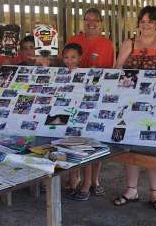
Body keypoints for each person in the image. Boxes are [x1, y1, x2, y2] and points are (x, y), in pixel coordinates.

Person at [113, 5, 156, 212]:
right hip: (130, 104)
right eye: (142, 21)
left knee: (153, 148)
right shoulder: (129, 43)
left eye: (150, 21)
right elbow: (116, 69)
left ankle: (155, 193)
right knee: (130, 146)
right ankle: (131, 190)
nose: (146, 25)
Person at [61, 43, 98, 201]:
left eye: (73, 57)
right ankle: (73, 179)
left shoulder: (87, 74)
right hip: (67, 117)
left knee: (85, 151)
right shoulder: (60, 73)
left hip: (82, 118)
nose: (70, 61)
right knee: (68, 148)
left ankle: (87, 183)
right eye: (66, 57)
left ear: (80, 58)